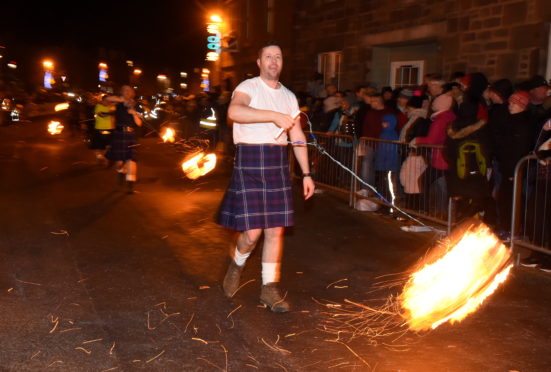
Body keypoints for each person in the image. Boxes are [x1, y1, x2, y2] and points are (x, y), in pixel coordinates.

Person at [218, 42, 315, 313]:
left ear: (282, 63)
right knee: (252, 234)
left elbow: (297, 136)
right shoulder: (248, 87)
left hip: (276, 164)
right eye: (268, 57)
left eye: (278, 57)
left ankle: (269, 289)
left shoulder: (289, 96)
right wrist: (273, 116)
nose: (273, 61)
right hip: (250, 162)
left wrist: (306, 174)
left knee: (275, 230)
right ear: (259, 62)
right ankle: (237, 262)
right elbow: (234, 112)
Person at [105, 86, 143, 194]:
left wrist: (134, 113)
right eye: (125, 90)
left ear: (132, 93)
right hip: (118, 134)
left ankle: (130, 185)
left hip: (130, 135)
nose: (127, 92)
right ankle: (121, 171)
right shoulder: (118, 103)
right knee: (119, 162)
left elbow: (139, 123)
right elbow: (106, 100)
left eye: (129, 91)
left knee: (131, 160)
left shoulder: (136, 105)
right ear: (121, 92)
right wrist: (121, 100)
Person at [91, 95, 115, 163]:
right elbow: (102, 115)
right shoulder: (98, 106)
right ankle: (99, 157)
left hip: (110, 128)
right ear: (102, 100)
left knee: (108, 145)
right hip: (99, 128)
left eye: (109, 100)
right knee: (97, 146)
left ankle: (105, 158)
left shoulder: (111, 107)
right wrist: (111, 113)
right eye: (106, 100)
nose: (107, 102)